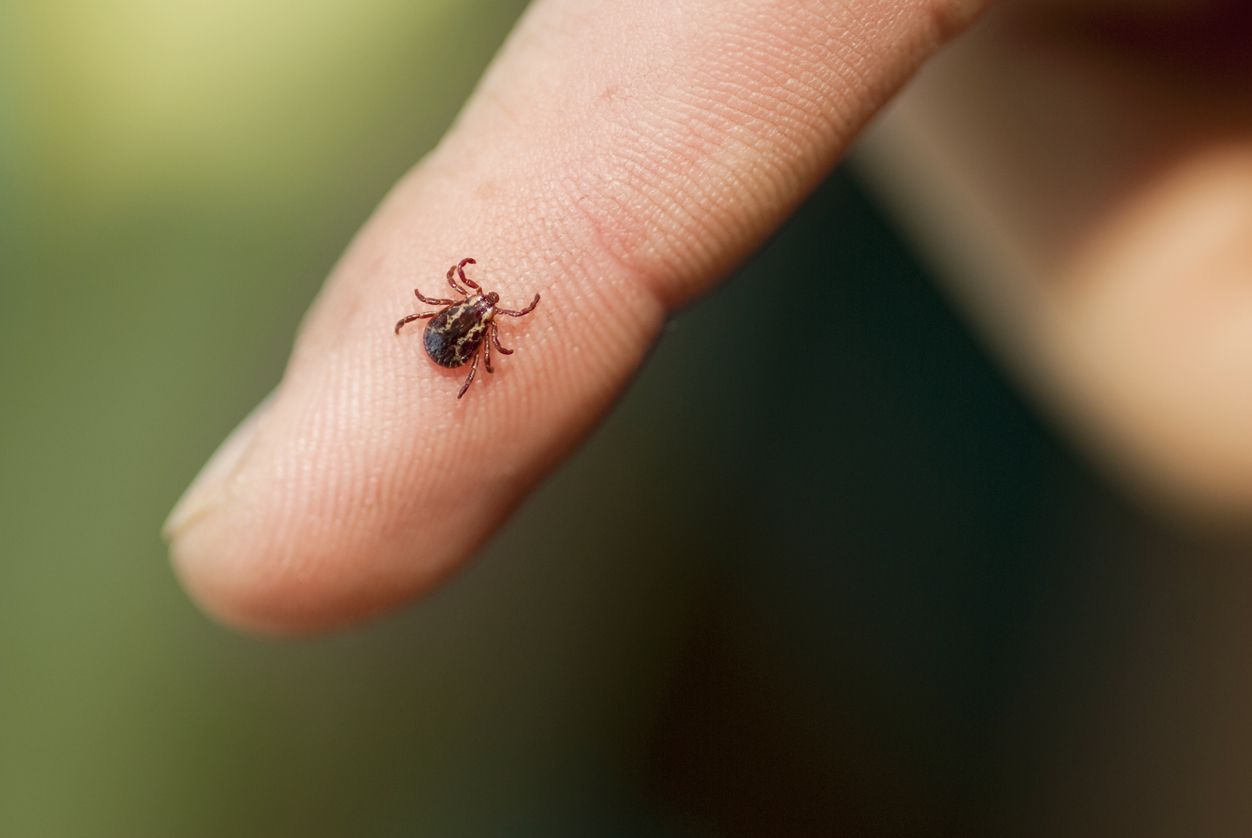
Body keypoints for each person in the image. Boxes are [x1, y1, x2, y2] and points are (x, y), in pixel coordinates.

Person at [164, 0, 1252, 632]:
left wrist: (453, 342)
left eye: (469, 309)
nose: (470, 314)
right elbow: (463, 329)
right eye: (470, 310)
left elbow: (449, 327)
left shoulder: (465, 319)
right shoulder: (477, 319)